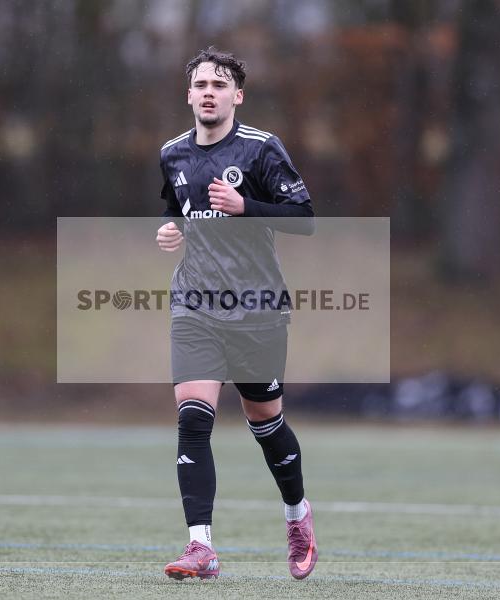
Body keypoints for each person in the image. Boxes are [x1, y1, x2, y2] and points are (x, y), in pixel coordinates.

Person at [155, 46, 317, 581]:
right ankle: (201, 546)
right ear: (188, 94)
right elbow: (175, 209)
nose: (208, 92)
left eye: (219, 84)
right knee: (192, 418)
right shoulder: (172, 154)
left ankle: (297, 514)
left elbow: (304, 218)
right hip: (194, 305)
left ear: (236, 96)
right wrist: (170, 230)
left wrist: (248, 209)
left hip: (256, 309)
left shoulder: (261, 149)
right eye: (200, 83)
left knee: (264, 423)